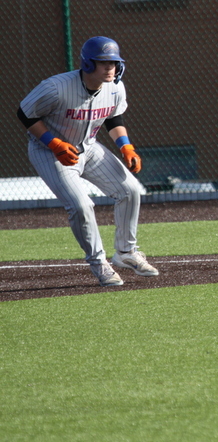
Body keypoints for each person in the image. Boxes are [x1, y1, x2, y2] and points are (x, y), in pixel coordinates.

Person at [17, 36, 159, 286]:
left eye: (114, 62)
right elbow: (25, 113)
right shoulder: (56, 87)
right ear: (87, 64)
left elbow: (114, 118)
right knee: (82, 206)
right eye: (103, 62)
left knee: (131, 190)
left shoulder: (115, 87)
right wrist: (53, 142)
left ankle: (126, 253)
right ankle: (99, 263)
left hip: (89, 148)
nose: (109, 68)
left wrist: (126, 146)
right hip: (49, 152)